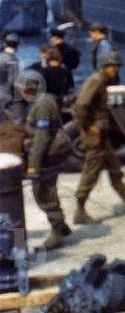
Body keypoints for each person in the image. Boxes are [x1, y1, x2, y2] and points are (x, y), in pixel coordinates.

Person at [72, 50, 125, 223]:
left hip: (101, 136)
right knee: (91, 172)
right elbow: (81, 106)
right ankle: (80, 210)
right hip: (94, 138)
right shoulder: (96, 80)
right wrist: (88, 127)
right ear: (104, 66)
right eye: (112, 67)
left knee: (115, 168)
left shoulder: (102, 80)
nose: (115, 70)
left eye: (116, 67)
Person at [19, 70, 72, 250]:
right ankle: (62, 226)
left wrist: (33, 165)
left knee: (42, 191)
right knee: (48, 189)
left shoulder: (41, 105)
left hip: (46, 156)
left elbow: (42, 137)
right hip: (47, 154)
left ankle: (57, 231)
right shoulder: (43, 100)